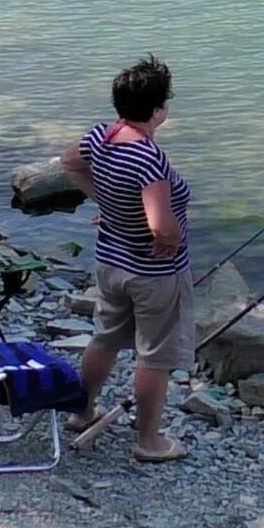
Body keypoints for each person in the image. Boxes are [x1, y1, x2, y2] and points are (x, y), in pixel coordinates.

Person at [57, 54, 193, 463]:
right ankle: (149, 441)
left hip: (111, 263)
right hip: (153, 274)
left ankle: (82, 412)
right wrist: (171, 239)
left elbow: (69, 163)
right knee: (155, 356)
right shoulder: (150, 158)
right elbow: (160, 226)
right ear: (157, 110)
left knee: (105, 338)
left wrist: (109, 204)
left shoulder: (101, 135)